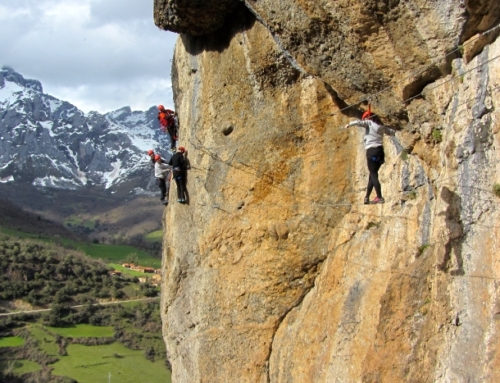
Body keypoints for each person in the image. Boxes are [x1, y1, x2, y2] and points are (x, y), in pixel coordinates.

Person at [344, 109, 395, 204]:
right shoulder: (381, 126)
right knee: (373, 174)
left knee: (374, 174)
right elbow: (391, 132)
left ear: (368, 118)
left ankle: (379, 197)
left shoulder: (369, 123)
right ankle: (367, 197)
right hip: (380, 152)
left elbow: (358, 122)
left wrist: (349, 124)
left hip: (371, 151)